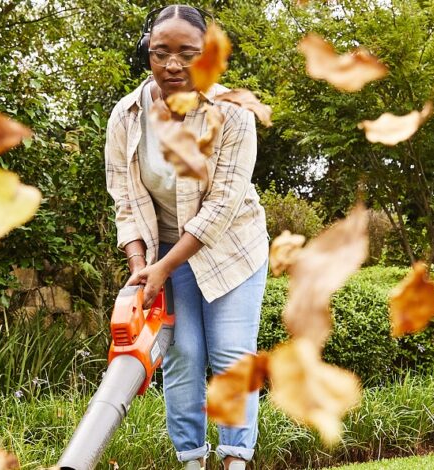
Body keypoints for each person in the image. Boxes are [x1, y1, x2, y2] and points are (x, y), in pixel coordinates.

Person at [104, 4, 269, 470]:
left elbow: (221, 206)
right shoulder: (126, 116)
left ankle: (236, 461)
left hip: (231, 249)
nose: (173, 64)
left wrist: (163, 266)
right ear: (147, 52)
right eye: (161, 53)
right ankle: (192, 461)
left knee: (230, 354)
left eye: (187, 54)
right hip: (162, 253)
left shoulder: (232, 114)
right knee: (182, 354)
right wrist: (141, 265)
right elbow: (124, 198)